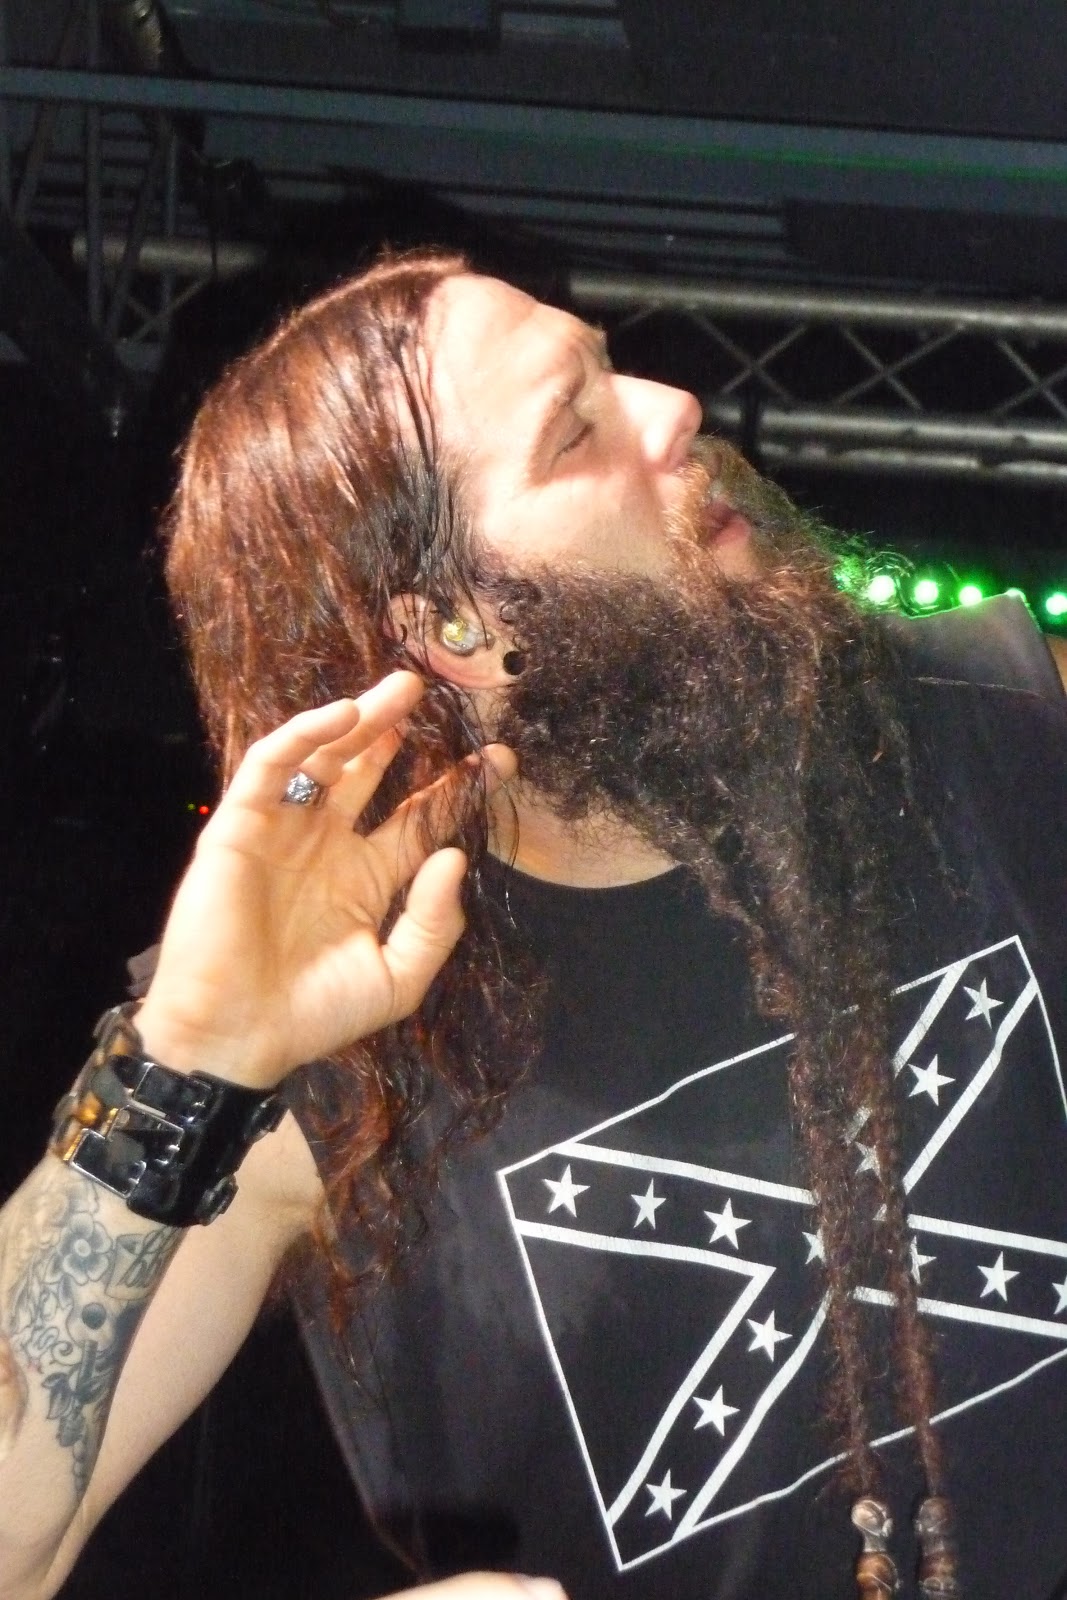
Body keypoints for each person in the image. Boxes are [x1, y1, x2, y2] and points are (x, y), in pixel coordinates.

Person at [1, 249, 1066, 1600]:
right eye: (577, 429)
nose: (675, 408)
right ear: (452, 625)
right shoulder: (331, 1028)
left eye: (614, 371)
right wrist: (188, 1056)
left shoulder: (999, 722)